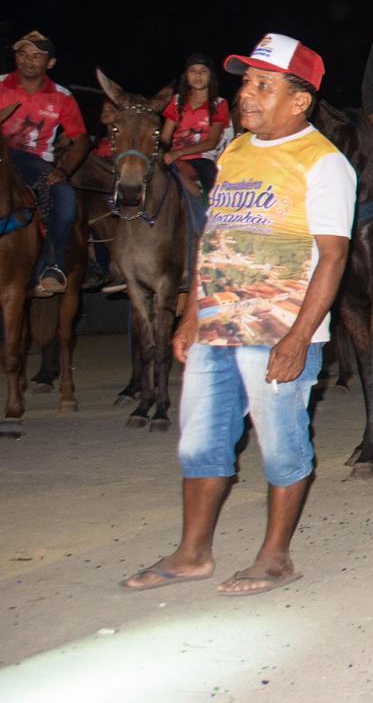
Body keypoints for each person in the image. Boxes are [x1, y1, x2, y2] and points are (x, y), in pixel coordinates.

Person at [120, 32, 354, 596]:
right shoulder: (235, 151)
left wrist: (299, 337)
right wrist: (191, 314)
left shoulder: (324, 163)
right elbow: (214, 236)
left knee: (281, 442)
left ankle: (275, 556)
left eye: (263, 84)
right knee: (200, 441)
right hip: (216, 325)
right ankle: (191, 552)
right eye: (246, 81)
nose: (246, 93)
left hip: (276, 329)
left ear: (300, 99)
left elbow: (333, 255)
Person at [1, 30, 88, 297]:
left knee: (64, 197)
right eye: (23, 54)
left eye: (36, 56)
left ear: (49, 63)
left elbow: (81, 139)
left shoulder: (62, 97)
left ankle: (53, 266)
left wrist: (63, 170)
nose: (28, 60)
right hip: (0, 154)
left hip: (35, 161)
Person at [160, 53, 230, 195]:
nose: (198, 75)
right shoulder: (177, 101)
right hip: (172, 157)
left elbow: (211, 142)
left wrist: (179, 152)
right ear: (186, 75)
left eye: (203, 71)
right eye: (192, 71)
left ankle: (212, 214)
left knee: (212, 195)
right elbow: (165, 137)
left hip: (202, 160)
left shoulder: (219, 104)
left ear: (211, 76)